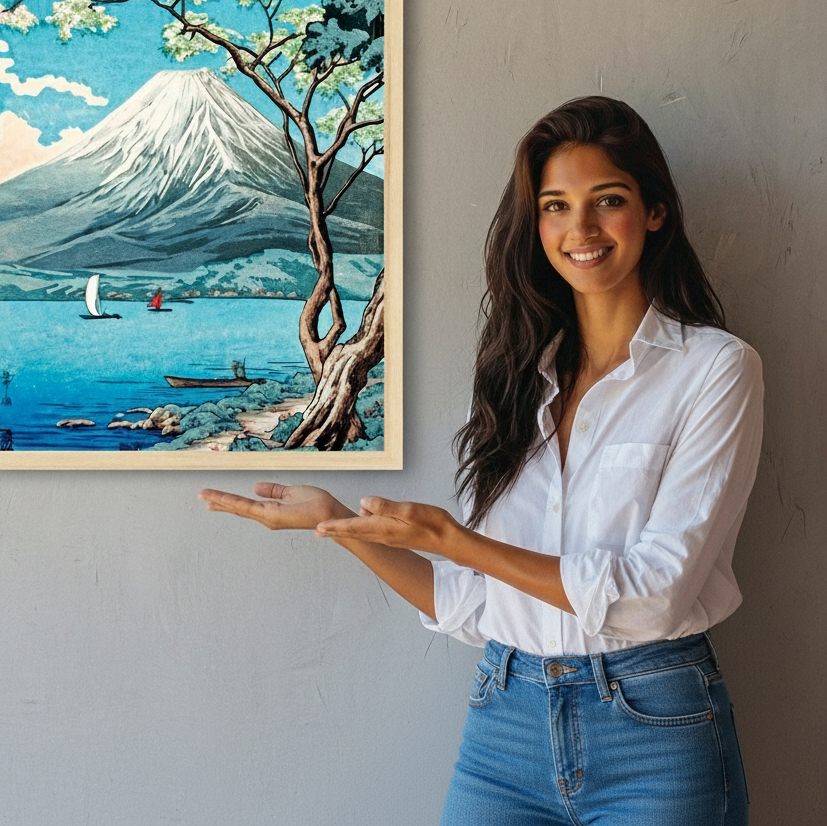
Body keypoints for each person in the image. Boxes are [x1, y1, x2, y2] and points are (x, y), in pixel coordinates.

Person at [199, 96, 762, 826]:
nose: (580, 230)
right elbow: (473, 602)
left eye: (608, 201)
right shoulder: (513, 375)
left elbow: (655, 596)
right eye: (555, 206)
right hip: (505, 720)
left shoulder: (715, 369)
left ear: (655, 212)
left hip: (655, 725)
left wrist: (453, 540)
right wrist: (340, 524)